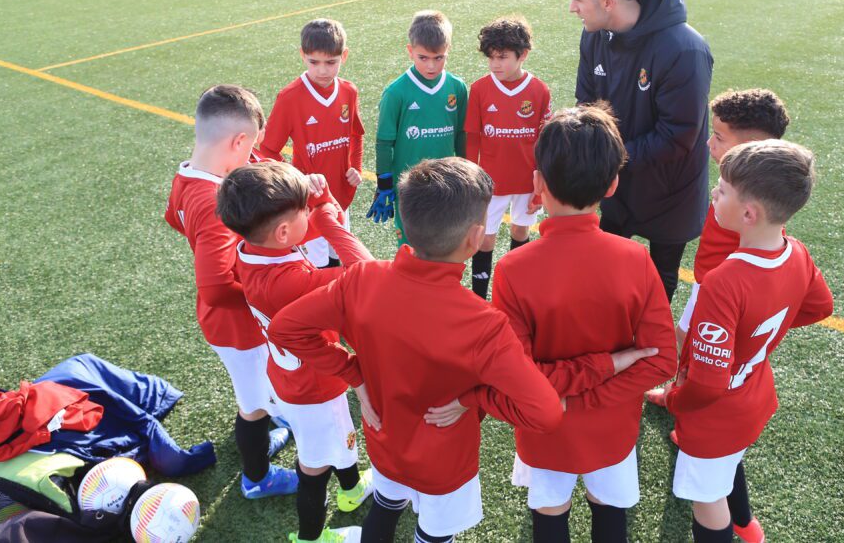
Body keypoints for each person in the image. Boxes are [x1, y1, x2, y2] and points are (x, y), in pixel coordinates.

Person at [268, 157, 565, 543]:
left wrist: (353, 374)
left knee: (387, 505)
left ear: (404, 223)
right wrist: (475, 397)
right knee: (434, 534)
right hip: (445, 462)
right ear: (476, 238)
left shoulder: (361, 279)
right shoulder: (484, 324)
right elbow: (546, 412)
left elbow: (284, 328)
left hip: (384, 440)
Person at [451, 103, 678, 542]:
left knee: (549, 513)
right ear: (612, 185)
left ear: (537, 183)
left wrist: (570, 403)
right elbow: (661, 360)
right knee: (609, 512)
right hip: (611, 429)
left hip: (546, 427)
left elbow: (518, 375)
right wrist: (601, 389)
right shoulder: (635, 259)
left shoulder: (514, 269)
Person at [665, 140, 833, 543]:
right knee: (726, 470)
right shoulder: (797, 252)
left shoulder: (723, 282)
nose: (713, 194)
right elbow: (820, 306)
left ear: (748, 213)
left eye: (721, 189)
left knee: (707, 502)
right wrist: (758, 338)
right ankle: (747, 524)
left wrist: (674, 399)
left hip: (717, 415)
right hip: (755, 394)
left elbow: (707, 385)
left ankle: (737, 524)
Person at [217, 161, 375, 543]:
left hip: (290, 377)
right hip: (314, 386)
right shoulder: (289, 281)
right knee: (313, 465)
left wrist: (316, 204)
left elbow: (302, 227)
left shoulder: (251, 248)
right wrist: (325, 209)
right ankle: (311, 538)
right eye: (302, 211)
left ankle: (352, 489)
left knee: (340, 439)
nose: (310, 213)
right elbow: (367, 271)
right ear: (284, 231)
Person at [164, 85, 297, 501]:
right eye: (250, 149)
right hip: (237, 326)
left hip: (224, 322)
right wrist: (264, 285)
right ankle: (257, 478)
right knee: (252, 402)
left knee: (258, 391)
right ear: (238, 141)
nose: (252, 158)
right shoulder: (214, 199)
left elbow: (173, 217)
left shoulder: (189, 172)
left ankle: (267, 425)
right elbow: (219, 287)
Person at [567, 0, 713, 303]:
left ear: (607, 3)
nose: (571, 8)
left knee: (659, 287)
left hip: (671, 191)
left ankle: (654, 356)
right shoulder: (593, 36)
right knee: (606, 274)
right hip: (617, 184)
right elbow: (586, 103)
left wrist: (606, 158)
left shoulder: (684, 49)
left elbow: (677, 136)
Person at [646, 89, 790, 408]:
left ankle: (686, 398)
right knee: (688, 339)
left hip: (719, 288)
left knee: (696, 345)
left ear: (751, 147)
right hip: (710, 280)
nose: (709, 143)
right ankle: (680, 387)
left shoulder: (750, 199)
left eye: (719, 137)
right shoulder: (745, 182)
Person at [259, 19, 365, 269]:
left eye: (331, 62)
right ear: (302, 56)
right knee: (315, 267)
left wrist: (356, 168)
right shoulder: (290, 97)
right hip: (307, 202)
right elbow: (267, 149)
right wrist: (295, 180)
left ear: (344, 56)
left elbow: (356, 134)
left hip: (340, 195)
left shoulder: (349, 92)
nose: (323, 70)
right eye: (314, 62)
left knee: (342, 261)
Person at [463, 16, 551, 299]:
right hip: (491, 182)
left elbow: (544, 140)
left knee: (521, 233)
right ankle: (479, 297)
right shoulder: (479, 89)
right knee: (485, 239)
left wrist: (542, 178)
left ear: (522, 55)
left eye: (502, 57)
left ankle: (517, 294)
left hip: (527, 180)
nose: (495, 64)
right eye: (491, 57)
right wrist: (471, 176)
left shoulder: (539, 90)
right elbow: (473, 137)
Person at [368, 10, 467, 247]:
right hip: (409, 187)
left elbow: (461, 136)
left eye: (439, 58)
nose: (431, 66)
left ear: (448, 50)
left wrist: (466, 174)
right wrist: (383, 185)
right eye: (423, 58)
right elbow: (384, 143)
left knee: (444, 245)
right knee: (410, 248)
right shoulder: (396, 92)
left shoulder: (457, 87)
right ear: (410, 51)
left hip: (446, 185)